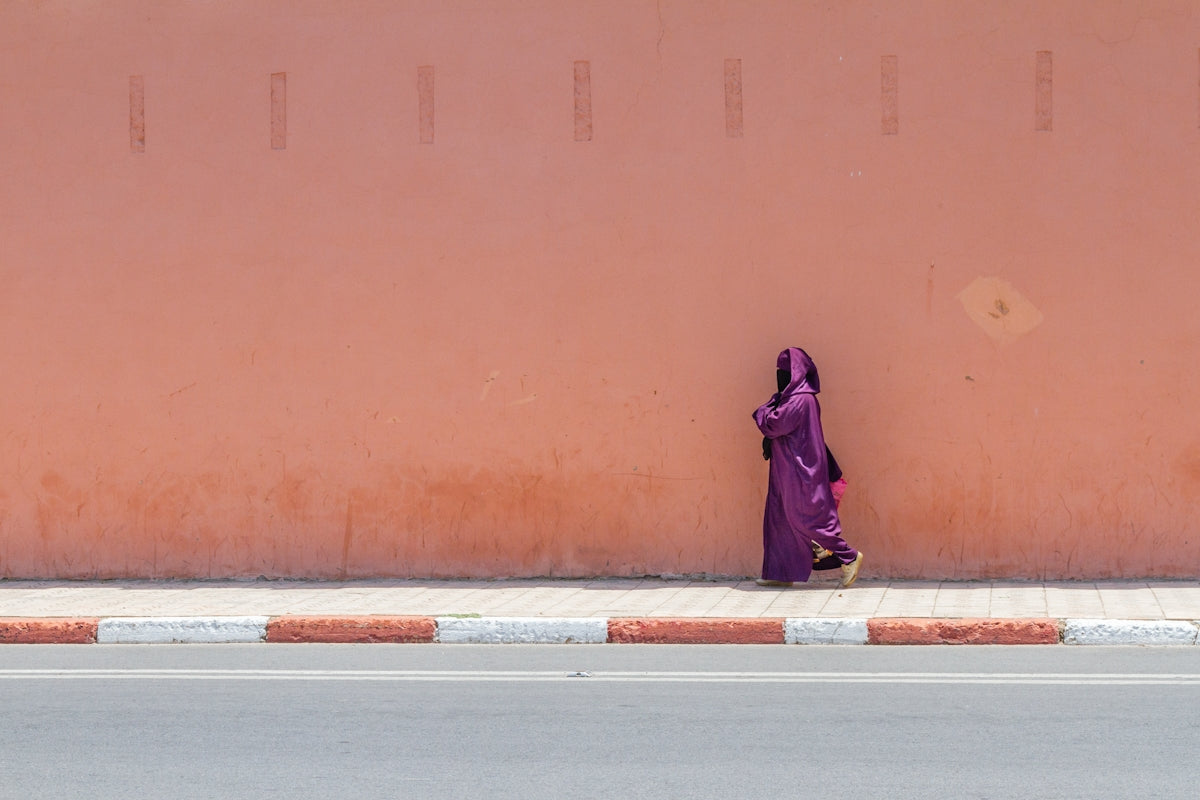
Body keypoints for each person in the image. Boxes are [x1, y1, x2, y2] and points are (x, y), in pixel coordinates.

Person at [753, 347, 863, 588]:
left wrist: (764, 409)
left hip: (799, 471)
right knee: (779, 518)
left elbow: (773, 424)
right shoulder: (795, 398)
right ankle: (780, 572)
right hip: (787, 470)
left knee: (804, 519)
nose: (780, 377)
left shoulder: (800, 399)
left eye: (783, 372)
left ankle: (849, 556)